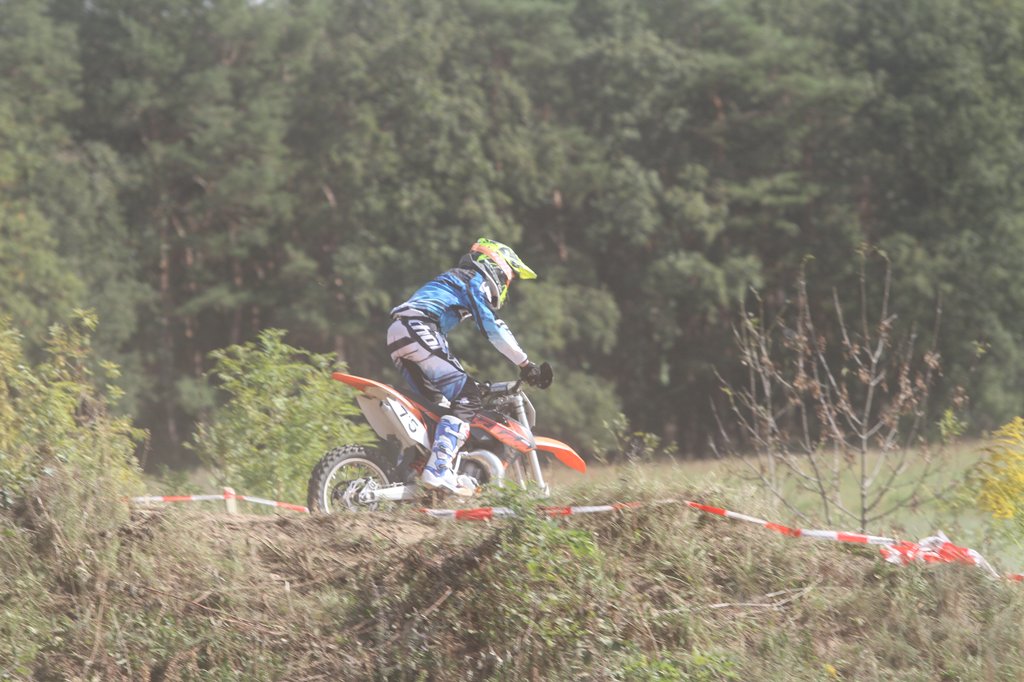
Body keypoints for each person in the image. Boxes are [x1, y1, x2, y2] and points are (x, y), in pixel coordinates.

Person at [386, 238, 550, 496]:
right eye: (507, 280)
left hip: (398, 333)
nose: (505, 287)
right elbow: (492, 327)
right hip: (419, 327)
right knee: (468, 397)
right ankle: (438, 470)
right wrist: (526, 364)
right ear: (496, 267)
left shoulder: (455, 279)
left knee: (436, 408)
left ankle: (413, 472)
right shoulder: (474, 279)